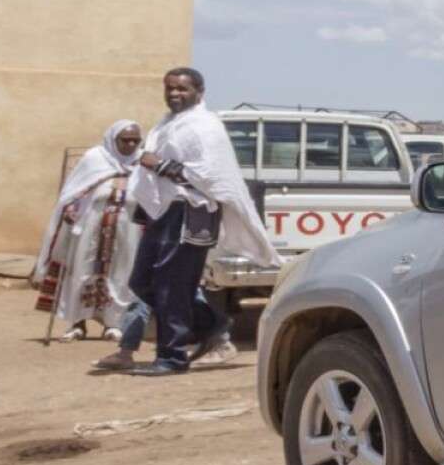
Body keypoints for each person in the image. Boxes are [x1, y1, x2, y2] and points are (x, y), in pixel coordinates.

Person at [122, 67, 279, 376]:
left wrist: (160, 165)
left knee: (171, 286)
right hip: (162, 213)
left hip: (189, 212)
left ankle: (172, 356)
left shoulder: (205, 127)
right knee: (142, 282)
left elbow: (209, 176)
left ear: (199, 91)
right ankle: (212, 328)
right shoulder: (169, 123)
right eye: (169, 88)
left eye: (181, 88)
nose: (174, 94)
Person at [34, 119, 144, 341]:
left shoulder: (142, 162)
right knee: (82, 271)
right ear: (114, 139)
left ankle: (113, 324)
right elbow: (74, 191)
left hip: (127, 225)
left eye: (135, 141)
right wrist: (71, 209)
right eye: (125, 140)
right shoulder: (96, 158)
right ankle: (77, 324)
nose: (130, 145)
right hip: (91, 222)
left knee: (121, 273)